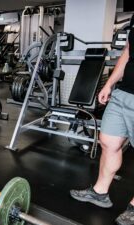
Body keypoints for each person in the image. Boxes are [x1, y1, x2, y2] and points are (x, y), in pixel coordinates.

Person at [70, 15, 134, 225]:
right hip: (124, 93)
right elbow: (127, 52)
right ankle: (100, 193)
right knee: (108, 141)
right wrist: (109, 84)